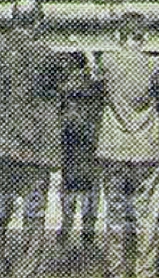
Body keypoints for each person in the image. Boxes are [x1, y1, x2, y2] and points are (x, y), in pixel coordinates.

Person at [0, 0, 65, 278]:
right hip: (34, 153)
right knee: (33, 219)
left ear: (12, 20)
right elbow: (53, 97)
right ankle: (25, 273)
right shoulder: (47, 55)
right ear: (38, 23)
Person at [95, 12, 159, 278]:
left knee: (115, 214)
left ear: (118, 36)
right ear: (144, 37)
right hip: (147, 147)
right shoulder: (155, 65)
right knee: (147, 216)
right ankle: (145, 272)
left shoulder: (108, 61)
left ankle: (115, 271)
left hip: (113, 145)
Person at [57, 42, 103, 254]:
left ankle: (65, 230)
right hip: (92, 145)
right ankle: (88, 233)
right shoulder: (94, 87)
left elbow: (61, 119)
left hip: (71, 147)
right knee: (91, 191)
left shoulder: (64, 90)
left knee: (69, 189)